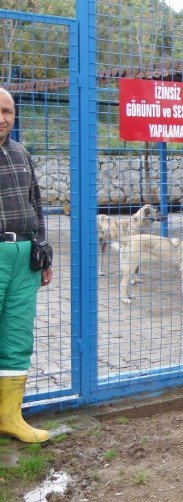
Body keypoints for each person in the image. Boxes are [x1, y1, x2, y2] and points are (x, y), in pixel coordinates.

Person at [0, 87, 53, 443]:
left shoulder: (20, 153)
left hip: (24, 257)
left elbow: (36, 203)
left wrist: (44, 253)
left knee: (18, 337)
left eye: (8, 112)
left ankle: (9, 417)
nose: (3, 118)